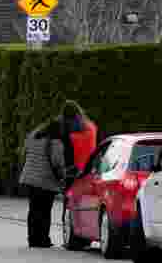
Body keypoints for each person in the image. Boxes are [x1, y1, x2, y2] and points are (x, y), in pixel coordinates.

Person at [19, 118, 66, 248]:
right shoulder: (55, 143)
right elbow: (58, 163)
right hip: (45, 181)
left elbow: (26, 152)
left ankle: (32, 239)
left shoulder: (33, 137)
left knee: (33, 210)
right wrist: (63, 177)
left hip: (29, 178)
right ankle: (43, 239)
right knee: (45, 211)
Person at [59, 100, 98, 188]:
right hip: (89, 170)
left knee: (70, 199)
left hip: (74, 172)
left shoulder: (69, 135)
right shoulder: (92, 127)